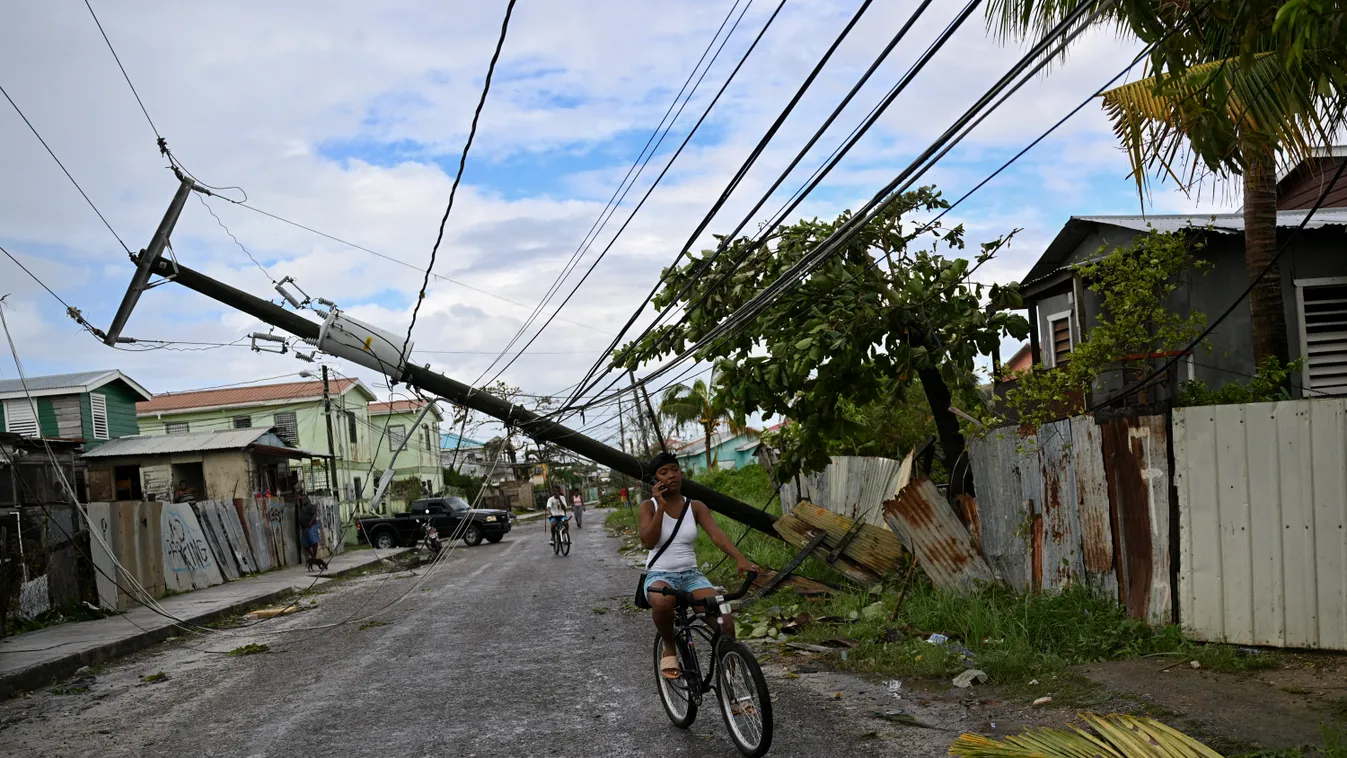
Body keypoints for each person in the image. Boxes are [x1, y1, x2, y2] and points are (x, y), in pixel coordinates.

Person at [639, 452, 758, 680]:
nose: (672, 475)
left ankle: (732, 688)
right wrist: (661, 507)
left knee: (726, 623)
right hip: (660, 576)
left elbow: (718, 537)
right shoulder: (649, 506)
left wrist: (740, 559)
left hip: (692, 576)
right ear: (655, 480)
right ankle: (669, 645)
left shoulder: (696, 507)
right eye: (664, 472)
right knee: (662, 602)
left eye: (675, 469)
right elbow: (648, 541)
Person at [298, 496, 321, 563]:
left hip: (312, 526)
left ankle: (314, 557)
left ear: (308, 499)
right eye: (302, 499)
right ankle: (312, 556)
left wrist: (311, 522)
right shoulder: (302, 507)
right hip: (305, 528)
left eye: (304, 499)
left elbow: (315, 515)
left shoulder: (311, 506)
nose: (303, 500)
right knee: (304, 544)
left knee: (314, 541)